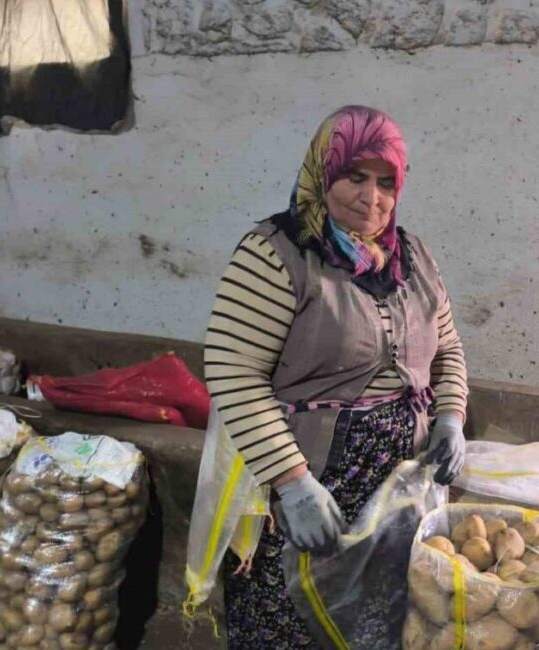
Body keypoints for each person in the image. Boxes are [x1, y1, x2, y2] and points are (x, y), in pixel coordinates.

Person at [201, 105, 469, 648]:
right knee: (293, 618)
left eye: (386, 183)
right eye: (355, 177)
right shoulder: (275, 254)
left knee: (381, 622)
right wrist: (292, 482)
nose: (372, 199)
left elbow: (448, 348)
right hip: (310, 480)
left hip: (397, 489)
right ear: (324, 171)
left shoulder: (412, 255)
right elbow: (233, 372)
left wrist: (450, 414)